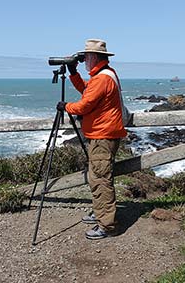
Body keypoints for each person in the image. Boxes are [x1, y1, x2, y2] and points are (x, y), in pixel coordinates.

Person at [56, 38, 127, 240]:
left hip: (103, 135)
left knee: (101, 179)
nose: (84, 60)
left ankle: (107, 225)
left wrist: (66, 106)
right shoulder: (105, 75)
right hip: (103, 133)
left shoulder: (102, 79)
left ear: (94, 57)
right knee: (97, 176)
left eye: (86, 57)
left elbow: (85, 105)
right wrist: (73, 73)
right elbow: (88, 91)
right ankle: (101, 212)